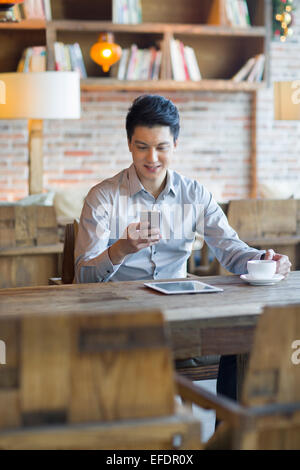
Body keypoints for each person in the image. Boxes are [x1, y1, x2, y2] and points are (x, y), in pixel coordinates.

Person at [74, 94, 291, 403]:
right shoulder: (103, 197)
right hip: (120, 318)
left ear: (175, 144)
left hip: (182, 315)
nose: (152, 158)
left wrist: (263, 260)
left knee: (245, 338)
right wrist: (121, 249)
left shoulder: (194, 194)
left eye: (162, 147)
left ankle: (228, 436)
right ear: (128, 144)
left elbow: (230, 250)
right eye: (142, 147)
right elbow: (82, 278)